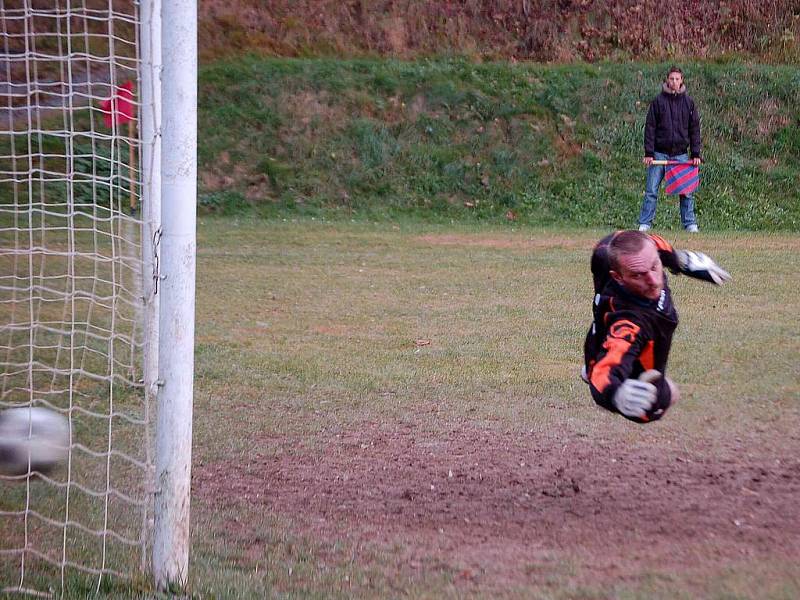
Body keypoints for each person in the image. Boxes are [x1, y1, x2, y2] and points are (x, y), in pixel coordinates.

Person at [582, 230, 730, 423]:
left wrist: (680, 259)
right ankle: (594, 366)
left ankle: (591, 361)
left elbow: (650, 243)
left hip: (600, 333)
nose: (653, 280)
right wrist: (614, 394)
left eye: (654, 266)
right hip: (636, 343)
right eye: (638, 275)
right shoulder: (629, 324)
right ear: (618, 277)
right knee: (659, 401)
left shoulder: (606, 250)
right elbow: (606, 373)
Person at [639, 66, 702, 233]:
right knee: (652, 190)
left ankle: (689, 224)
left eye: (677, 79)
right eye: (671, 79)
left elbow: (694, 129)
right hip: (659, 153)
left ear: (682, 81)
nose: (674, 82)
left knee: (686, 192)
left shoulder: (689, 103)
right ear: (667, 80)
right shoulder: (658, 102)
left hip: (681, 155)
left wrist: (695, 154)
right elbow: (650, 128)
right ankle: (645, 223)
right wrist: (649, 153)